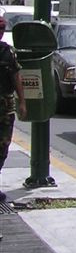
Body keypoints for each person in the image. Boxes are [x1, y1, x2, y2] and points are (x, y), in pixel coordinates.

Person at [0, 16, 28, 202]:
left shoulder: (7, 52)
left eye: (2, 29)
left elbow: (16, 77)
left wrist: (22, 101)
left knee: (2, 148)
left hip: (4, 108)